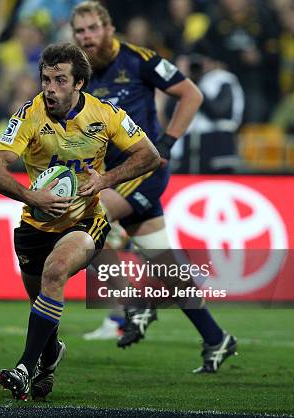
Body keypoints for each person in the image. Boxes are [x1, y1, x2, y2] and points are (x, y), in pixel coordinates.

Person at [0, 42, 160, 400]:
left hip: (85, 222)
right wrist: (32, 196)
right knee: (44, 301)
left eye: (60, 80)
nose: (50, 88)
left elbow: (149, 156)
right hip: (35, 224)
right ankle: (49, 358)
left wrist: (106, 180)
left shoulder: (106, 114)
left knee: (55, 271)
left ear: (79, 83)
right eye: (46, 79)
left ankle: (23, 368)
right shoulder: (29, 115)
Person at [71, 1, 237, 373]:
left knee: (82, 226)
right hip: (109, 175)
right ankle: (216, 338)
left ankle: (133, 307)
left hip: (144, 168)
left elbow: (191, 94)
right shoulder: (79, 72)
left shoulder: (139, 60)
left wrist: (168, 142)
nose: (87, 37)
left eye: (92, 29)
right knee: (166, 265)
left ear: (109, 27)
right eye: (80, 32)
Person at [171, 42, 245, 174]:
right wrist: (180, 80)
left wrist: (194, 88)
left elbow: (220, 111)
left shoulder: (223, 79)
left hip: (218, 144)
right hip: (190, 147)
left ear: (211, 61)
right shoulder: (186, 83)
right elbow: (169, 113)